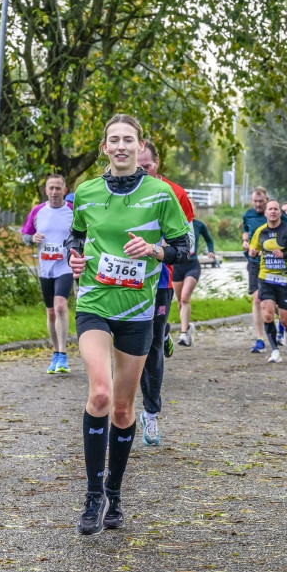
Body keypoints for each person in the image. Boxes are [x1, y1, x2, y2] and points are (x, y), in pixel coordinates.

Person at [63, 114, 191, 535]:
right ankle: (92, 494)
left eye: (128, 140)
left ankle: (115, 494)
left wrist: (154, 250)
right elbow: (76, 236)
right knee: (98, 393)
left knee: (122, 408)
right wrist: (74, 256)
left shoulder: (160, 194)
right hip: (95, 303)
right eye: (113, 140)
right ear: (104, 147)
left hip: (137, 311)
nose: (120, 146)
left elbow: (182, 246)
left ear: (139, 148)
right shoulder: (86, 192)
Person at [136, 141, 194, 447]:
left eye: (148, 166)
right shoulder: (117, 190)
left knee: (153, 346)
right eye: (138, 166)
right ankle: (118, 410)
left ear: (157, 164)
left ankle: (150, 413)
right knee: (125, 348)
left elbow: (186, 242)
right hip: (121, 284)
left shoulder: (175, 193)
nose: (142, 171)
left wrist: (159, 251)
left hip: (158, 282)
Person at [21, 174, 74, 373]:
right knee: (51, 312)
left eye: (58, 188)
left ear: (64, 190)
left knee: (61, 305)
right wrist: (31, 238)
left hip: (65, 266)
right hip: (46, 268)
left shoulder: (71, 211)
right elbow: (25, 235)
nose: (54, 192)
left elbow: (83, 233)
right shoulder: (37, 211)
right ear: (46, 191)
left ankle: (63, 355)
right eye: (51, 188)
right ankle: (55, 353)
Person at [247, 200, 287, 363]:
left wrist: (285, 255)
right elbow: (253, 251)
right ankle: (274, 350)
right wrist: (252, 253)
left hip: (286, 280)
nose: (273, 212)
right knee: (267, 314)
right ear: (265, 213)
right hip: (266, 278)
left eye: (276, 209)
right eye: (270, 209)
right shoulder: (260, 232)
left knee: (285, 319)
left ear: (280, 213)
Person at [174, 217, 215, 346]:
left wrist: (211, 251)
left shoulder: (199, 224)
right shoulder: (173, 222)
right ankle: (187, 328)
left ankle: (183, 333)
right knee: (180, 301)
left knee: (185, 298)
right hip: (176, 266)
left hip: (192, 265)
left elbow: (209, 239)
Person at [241, 188, 269, 352]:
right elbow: (246, 230)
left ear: (267, 199)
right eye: (255, 201)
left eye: (261, 201)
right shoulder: (248, 215)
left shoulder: (274, 213)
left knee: (272, 302)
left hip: (273, 263)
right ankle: (259, 338)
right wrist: (245, 241)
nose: (258, 204)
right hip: (254, 262)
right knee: (257, 299)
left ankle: (285, 325)